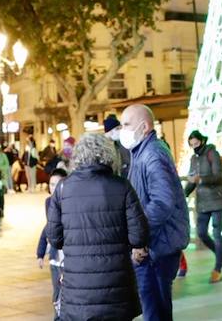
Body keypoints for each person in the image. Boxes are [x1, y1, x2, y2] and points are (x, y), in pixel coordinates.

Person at [45, 133, 149, 321]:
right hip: (116, 284)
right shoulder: (122, 186)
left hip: (78, 286)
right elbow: (138, 236)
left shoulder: (62, 188)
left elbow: (54, 238)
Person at [119, 105, 189, 321]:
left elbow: (162, 202)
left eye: (126, 124)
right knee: (155, 309)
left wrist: (139, 236)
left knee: (155, 311)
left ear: (144, 126)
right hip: (155, 246)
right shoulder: (141, 152)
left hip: (157, 248)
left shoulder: (153, 154)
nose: (123, 130)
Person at [183, 129, 222, 283]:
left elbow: (218, 175)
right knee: (201, 233)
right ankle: (220, 255)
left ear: (202, 141)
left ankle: (217, 270)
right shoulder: (193, 159)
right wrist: (183, 194)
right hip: (202, 202)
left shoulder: (212, 154)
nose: (194, 147)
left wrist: (200, 179)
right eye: (192, 145)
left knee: (217, 233)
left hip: (217, 200)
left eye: (196, 143)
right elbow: (192, 182)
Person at [36, 166, 68, 321]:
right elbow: (48, 226)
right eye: (51, 184)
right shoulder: (49, 202)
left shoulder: (71, 201)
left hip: (69, 255)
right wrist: (40, 252)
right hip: (55, 255)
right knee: (57, 290)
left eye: (58, 184)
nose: (54, 188)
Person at [104, 115, 131, 179]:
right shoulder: (102, 147)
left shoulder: (121, 143)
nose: (120, 131)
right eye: (117, 129)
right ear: (110, 132)